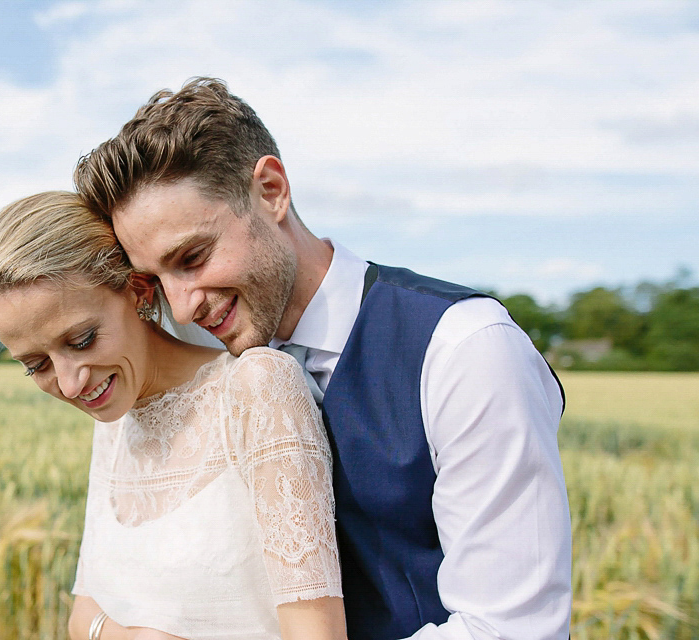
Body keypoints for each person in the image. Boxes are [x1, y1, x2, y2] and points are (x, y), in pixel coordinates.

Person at [73, 78, 572, 639]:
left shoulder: (464, 348)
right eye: (158, 282)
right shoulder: (201, 366)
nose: (183, 309)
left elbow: (510, 627)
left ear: (271, 189)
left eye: (192, 256)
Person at [0, 191, 347, 640]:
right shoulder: (115, 418)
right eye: (36, 365)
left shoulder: (257, 388)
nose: (69, 385)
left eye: (81, 340)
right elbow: (81, 612)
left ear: (138, 293)